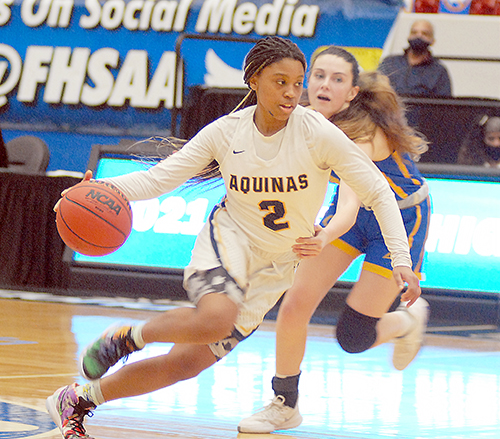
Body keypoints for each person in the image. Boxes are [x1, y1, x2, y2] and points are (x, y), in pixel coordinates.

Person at [45, 37, 420, 439]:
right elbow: (159, 178)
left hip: (277, 264)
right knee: (214, 319)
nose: (292, 92)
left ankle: (79, 400)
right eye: (281, 82)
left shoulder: (316, 132)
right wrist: (99, 189)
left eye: (298, 83)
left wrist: (401, 259)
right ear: (255, 81)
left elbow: (378, 192)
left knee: (185, 365)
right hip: (231, 240)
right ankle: (127, 338)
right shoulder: (226, 133)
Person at [238, 46, 431, 434]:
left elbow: (347, 205)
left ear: (353, 92)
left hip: (399, 218)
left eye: (337, 79)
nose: (325, 85)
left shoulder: (359, 134)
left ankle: (409, 320)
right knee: (294, 305)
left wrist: (322, 236)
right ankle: (284, 402)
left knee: (353, 337)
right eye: (319, 76)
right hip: (353, 217)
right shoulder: (304, 119)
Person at [378, 19, 452, 97]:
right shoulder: (390, 62)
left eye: (425, 34)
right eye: (414, 32)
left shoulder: (438, 71)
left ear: (432, 41)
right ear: (408, 37)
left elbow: (443, 105)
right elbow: (375, 91)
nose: (419, 36)